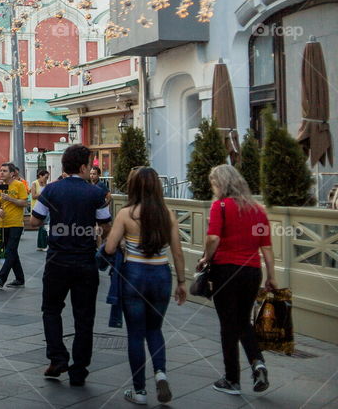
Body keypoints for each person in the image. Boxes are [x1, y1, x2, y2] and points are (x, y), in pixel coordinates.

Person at [26, 144, 111, 386]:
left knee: (51, 309)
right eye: (91, 166)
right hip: (85, 261)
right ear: (83, 167)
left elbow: (34, 220)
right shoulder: (95, 194)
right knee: (84, 316)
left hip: (57, 260)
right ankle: (79, 369)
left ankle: (57, 357)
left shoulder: (51, 190)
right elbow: (105, 226)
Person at [103, 167, 187, 405]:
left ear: (134, 187)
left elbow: (109, 248)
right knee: (155, 329)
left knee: (136, 334)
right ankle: (160, 373)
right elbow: (178, 252)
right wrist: (181, 282)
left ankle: (139, 391)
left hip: (134, 275)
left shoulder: (126, 214)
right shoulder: (167, 214)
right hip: (161, 274)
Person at [197, 164, 275, 396]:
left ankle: (232, 379)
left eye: (214, 184)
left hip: (226, 271)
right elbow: (267, 247)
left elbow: (213, 238)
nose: (213, 188)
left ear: (221, 184)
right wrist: (271, 276)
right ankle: (258, 363)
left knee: (228, 325)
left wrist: (204, 259)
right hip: (252, 272)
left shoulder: (220, 206)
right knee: (243, 322)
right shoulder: (258, 209)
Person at [0, 163, 28, 289]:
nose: (1, 173)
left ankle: (1, 278)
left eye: (4, 171)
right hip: (3, 224)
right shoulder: (1, 186)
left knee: (9, 251)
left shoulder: (19, 185)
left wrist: (11, 199)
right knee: (12, 252)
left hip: (16, 223)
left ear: (12, 173)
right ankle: (20, 278)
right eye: (0, 170)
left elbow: (25, 203)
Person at [31, 169, 50, 251]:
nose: (46, 179)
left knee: (43, 225)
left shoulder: (46, 185)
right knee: (42, 226)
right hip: (36, 207)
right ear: (40, 176)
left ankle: (42, 245)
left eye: (48, 178)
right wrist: (43, 193)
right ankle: (42, 245)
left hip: (45, 207)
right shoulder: (34, 183)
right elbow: (33, 196)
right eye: (45, 177)